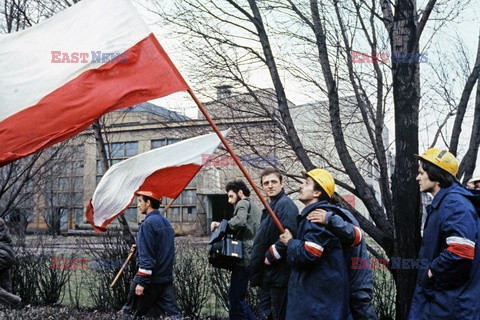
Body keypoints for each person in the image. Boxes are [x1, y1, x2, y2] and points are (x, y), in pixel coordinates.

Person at [409, 148, 480, 319]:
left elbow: (461, 252)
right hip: (443, 304)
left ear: (435, 174)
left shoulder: (454, 204)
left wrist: (430, 272)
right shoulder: (445, 202)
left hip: (450, 308)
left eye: (421, 173)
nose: (417, 178)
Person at [279, 169, 352, 320]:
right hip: (320, 300)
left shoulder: (316, 217)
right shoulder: (318, 215)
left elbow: (310, 254)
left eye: (306, 183)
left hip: (317, 304)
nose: (301, 186)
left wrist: (290, 242)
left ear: (317, 193)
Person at [307, 194, 377, 320]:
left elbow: (353, 234)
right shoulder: (338, 217)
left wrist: (329, 218)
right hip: (352, 284)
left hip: (356, 285)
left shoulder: (339, 216)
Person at [120, 190, 180, 319]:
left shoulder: (147, 225)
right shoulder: (167, 223)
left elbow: (147, 257)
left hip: (150, 280)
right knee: (174, 316)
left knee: (130, 314)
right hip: (165, 278)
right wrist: (140, 247)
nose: (138, 205)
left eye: (140, 201)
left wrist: (141, 282)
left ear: (148, 202)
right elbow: (161, 250)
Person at [249, 168, 299, 320]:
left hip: (280, 275)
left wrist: (271, 255)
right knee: (266, 314)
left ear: (282, 184)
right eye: (266, 183)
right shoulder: (270, 207)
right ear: (262, 187)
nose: (270, 186)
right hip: (268, 275)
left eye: (274, 182)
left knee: (279, 315)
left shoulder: (285, 205)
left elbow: (290, 233)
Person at [210, 180, 262, 320]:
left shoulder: (243, 203)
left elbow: (239, 221)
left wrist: (221, 225)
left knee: (235, 299)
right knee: (238, 297)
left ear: (240, 193)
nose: (229, 201)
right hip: (251, 255)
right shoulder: (255, 207)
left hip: (243, 257)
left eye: (231, 196)